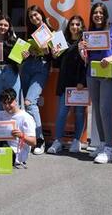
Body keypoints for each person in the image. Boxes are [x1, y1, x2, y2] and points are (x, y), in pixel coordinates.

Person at [80, 2, 112, 164]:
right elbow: (85, 56)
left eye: (101, 12)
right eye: (95, 13)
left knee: (105, 109)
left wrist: (111, 58)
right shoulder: (89, 32)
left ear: (105, 14)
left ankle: (109, 148)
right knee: (97, 110)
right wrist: (82, 49)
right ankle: (101, 143)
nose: (98, 15)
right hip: (92, 73)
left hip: (110, 73)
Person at [48, 15, 88, 154]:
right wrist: (54, 55)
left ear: (82, 26)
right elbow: (57, 63)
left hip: (80, 83)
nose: (75, 27)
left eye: (78, 24)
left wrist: (82, 81)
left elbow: (87, 64)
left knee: (79, 113)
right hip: (65, 81)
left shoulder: (86, 41)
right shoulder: (61, 40)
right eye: (72, 24)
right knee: (62, 113)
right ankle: (58, 141)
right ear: (69, 26)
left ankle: (77, 141)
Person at [21, 5, 52, 155]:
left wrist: (46, 49)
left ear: (41, 14)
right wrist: (28, 52)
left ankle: (40, 140)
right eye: (31, 17)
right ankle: (30, 139)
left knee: (30, 102)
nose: (34, 18)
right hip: (28, 66)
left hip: (42, 67)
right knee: (26, 106)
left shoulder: (51, 31)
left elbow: (54, 54)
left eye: (36, 15)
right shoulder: (30, 32)